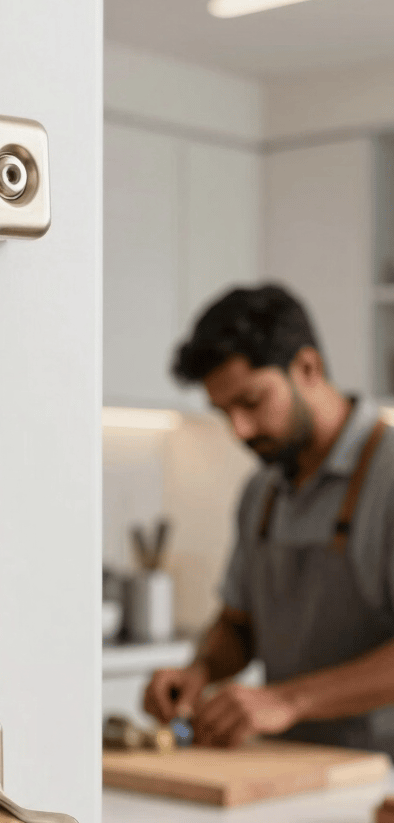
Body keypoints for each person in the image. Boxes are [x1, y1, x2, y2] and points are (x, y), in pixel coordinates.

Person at [144, 283, 394, 754]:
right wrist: (199, 670)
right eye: (224, 412)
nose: (239, 429)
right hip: (287, 764)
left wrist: (287, 700)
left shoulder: (388, 475)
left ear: (307, 368)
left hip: (380, 780)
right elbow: (240, 626)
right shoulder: (261, 492)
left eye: (251, 402)